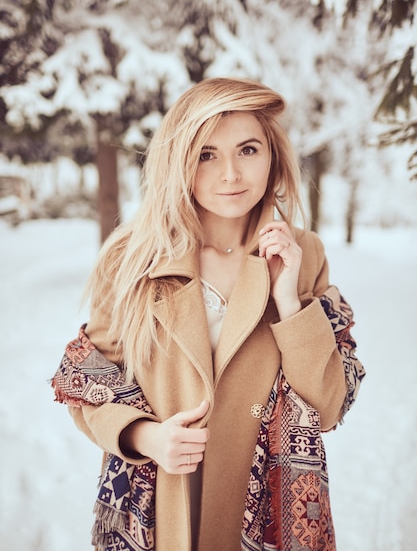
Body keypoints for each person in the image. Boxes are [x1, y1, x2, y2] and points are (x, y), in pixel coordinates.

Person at [52, 77, 365, 551]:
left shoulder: (304, 253)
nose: (231, 175)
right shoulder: (131, 257)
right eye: (207, 154)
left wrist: (289, 302)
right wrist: (145, 436)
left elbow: (325, 407)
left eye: (248, 150)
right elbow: (87, 383)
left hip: (262, 515)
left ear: (273, 157)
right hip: (164, 506)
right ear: (180, 161)